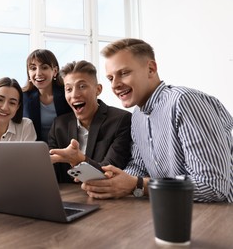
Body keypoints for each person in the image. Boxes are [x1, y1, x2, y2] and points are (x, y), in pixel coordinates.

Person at [83, 38, 233, 202]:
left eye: (124, 73)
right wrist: (113, 181)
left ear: (151, 69)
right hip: (176, 210)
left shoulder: (183, 101)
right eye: (110, 78)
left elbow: (212, 186)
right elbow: (138, 166)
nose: (115, 85)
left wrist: (137, 184)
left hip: (221, 216)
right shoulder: (138, 116)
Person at [48, 60, 132, 183]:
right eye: (69, 89)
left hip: (107, 196)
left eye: (82, 86)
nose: (75, 94)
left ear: (98, 90)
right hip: (67, 198)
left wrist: (79, 159)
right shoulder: (59, 125)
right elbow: (50, 173)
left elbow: (110, 172)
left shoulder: (121, 120)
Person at [23, 49, 72, 143]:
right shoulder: (22, 97)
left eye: (44, 67)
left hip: (64, 150)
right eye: (33, 68)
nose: (38, 73)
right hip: (33, 151)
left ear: (55, 71)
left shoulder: (67, 94)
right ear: (28, 73)